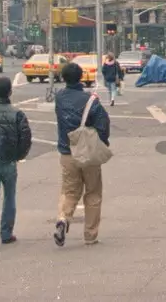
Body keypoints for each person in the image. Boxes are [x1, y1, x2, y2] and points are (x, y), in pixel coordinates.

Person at [53, 60, 110, 247]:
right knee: (93, 193)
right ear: (81, 77)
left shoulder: (59, 97)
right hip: (88, 152)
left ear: (63, 78)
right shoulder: (91, 100)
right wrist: (101, 141)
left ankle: (63, 218)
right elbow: (103, 124)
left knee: (69, 190)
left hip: (67, 152)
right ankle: (90, 235)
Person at [0, 75, 33, 250]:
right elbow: (25, 137)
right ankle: (6, 233)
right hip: (9, 161)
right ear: (10, 91)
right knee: (9, 197)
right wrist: (20, 155)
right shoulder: (17, 114)